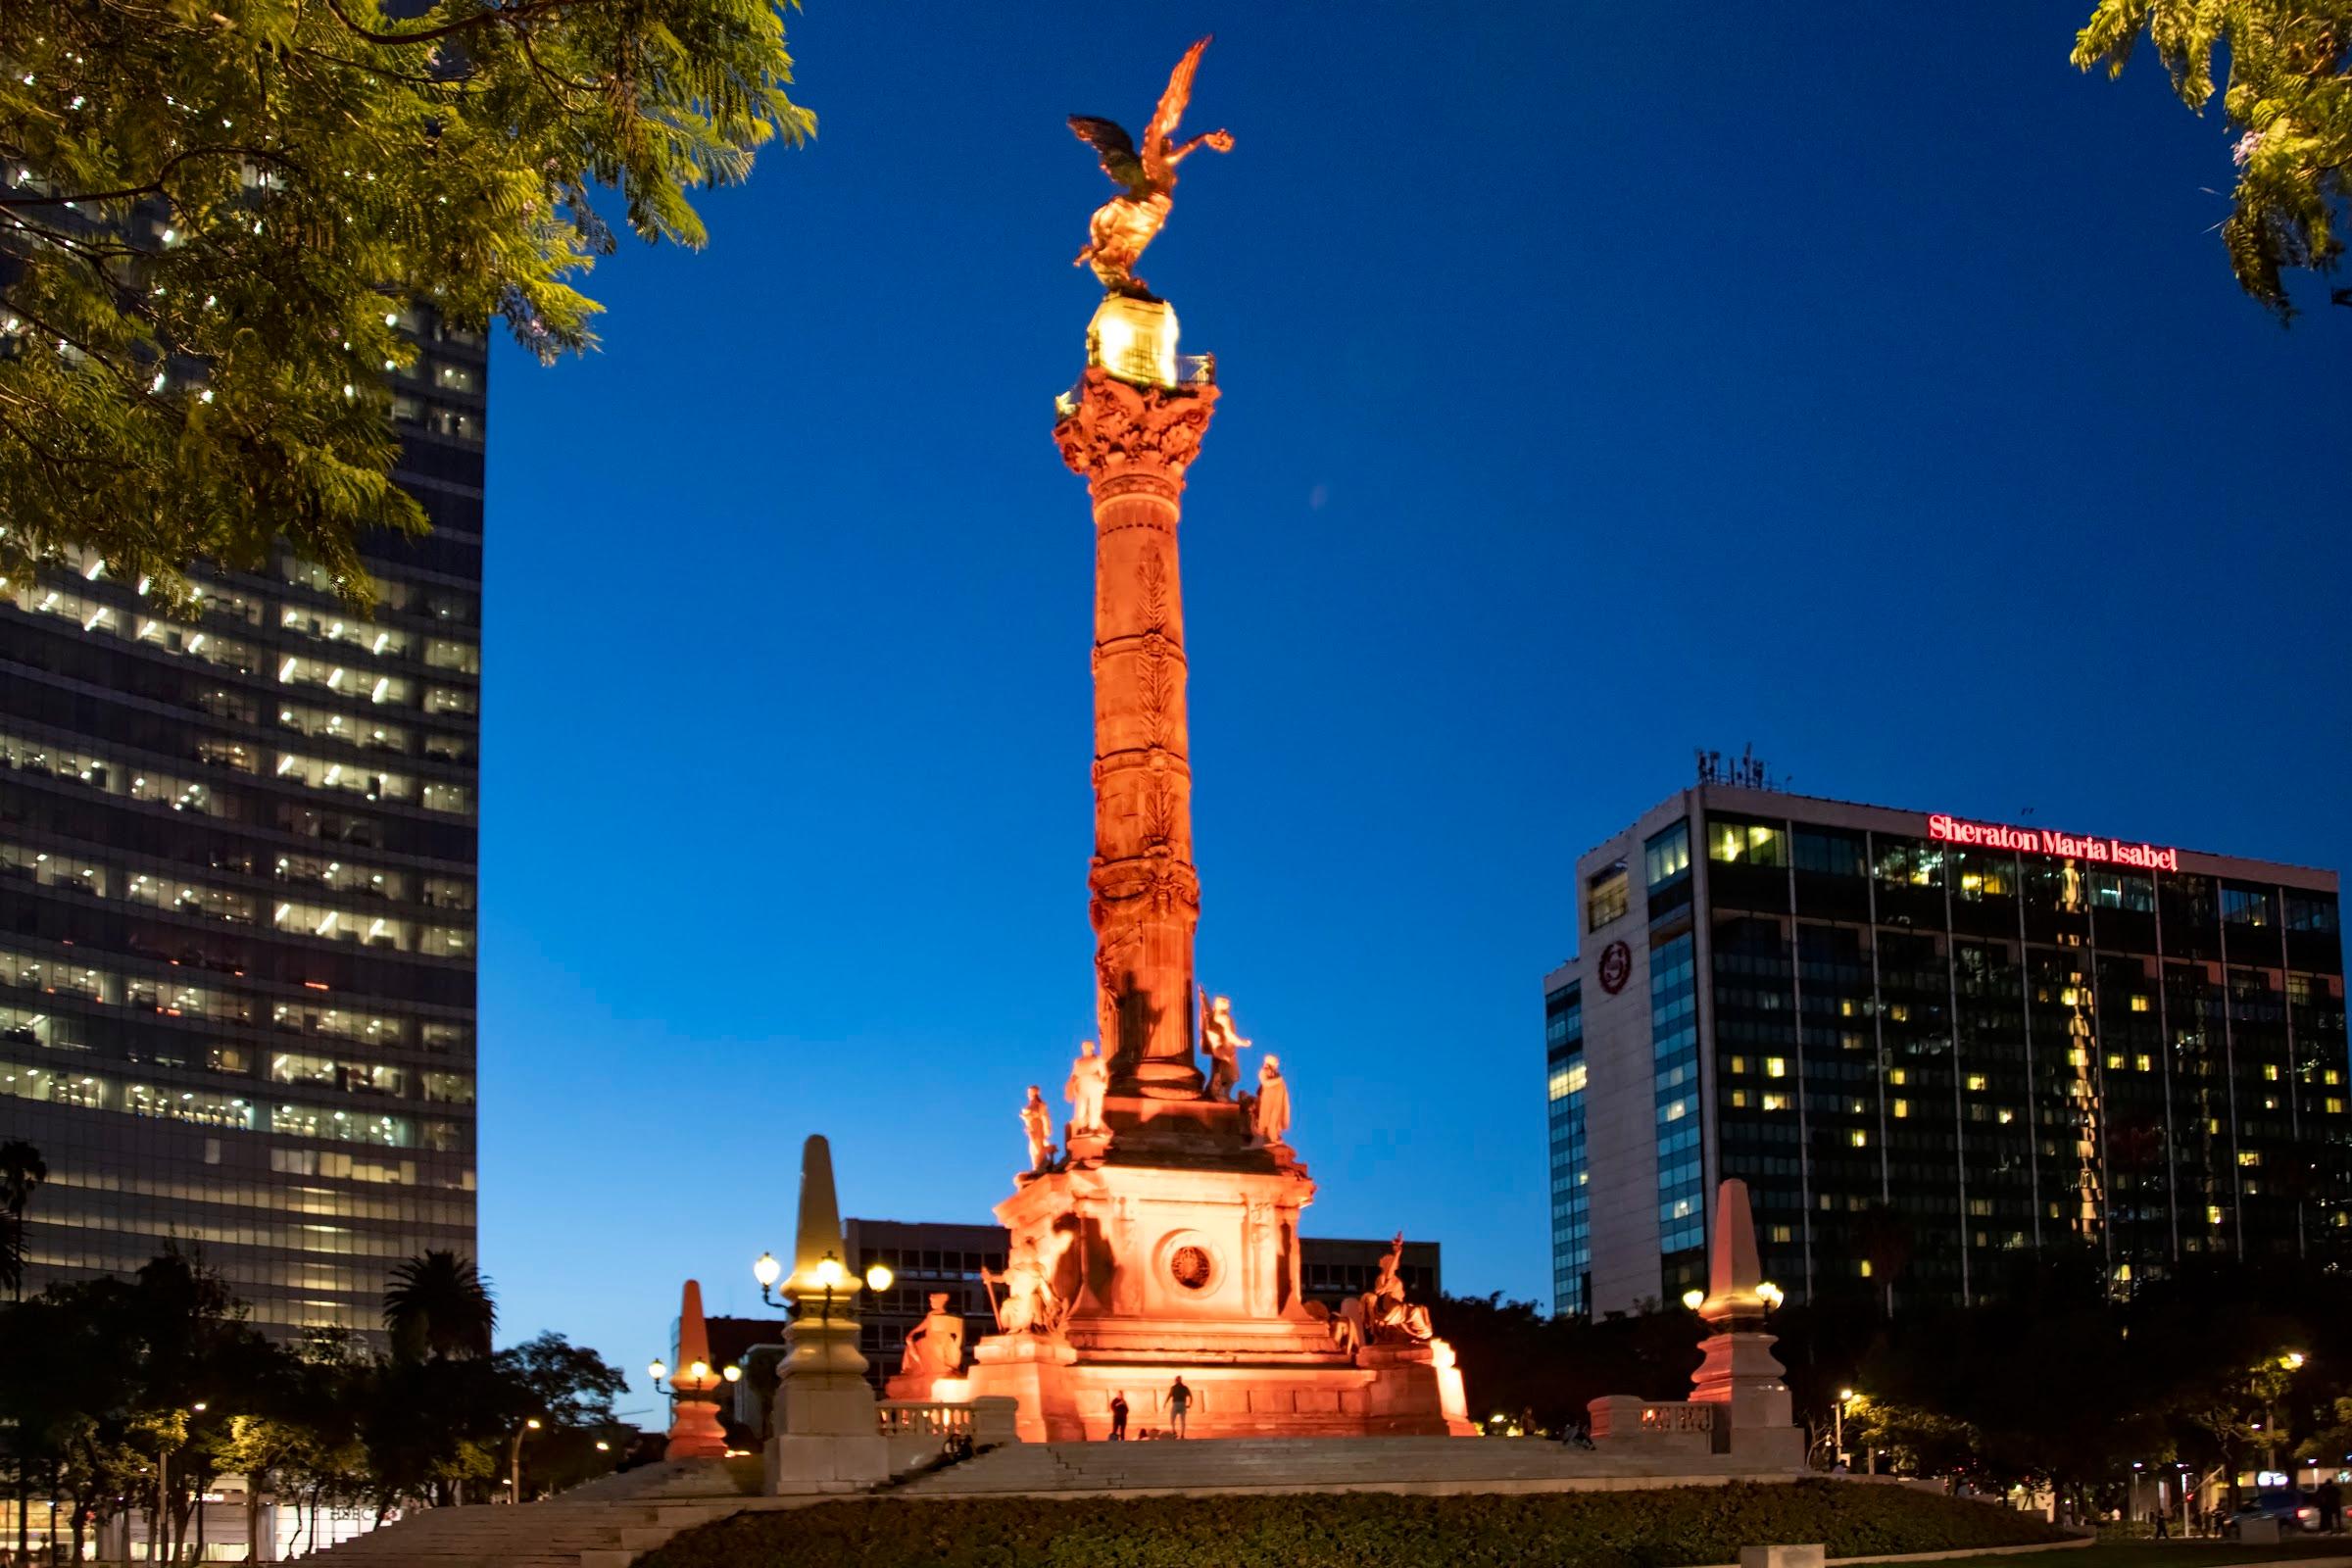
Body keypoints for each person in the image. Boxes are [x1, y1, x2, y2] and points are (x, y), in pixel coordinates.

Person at [1166, 1375, 1192, 1439]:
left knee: (1172, 1419)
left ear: (1176, 1380)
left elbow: (1169, 1396)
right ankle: (1182, 1434)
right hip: (1183, 1404)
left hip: (1176, 1404)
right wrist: (1189, 1405)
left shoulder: (1174, 1387)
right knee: (1183, 1420)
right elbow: (1191, 1397)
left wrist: (1165, 1403)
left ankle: (1174, 1431)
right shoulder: (1185, 1388)